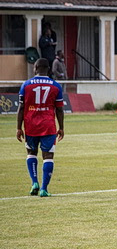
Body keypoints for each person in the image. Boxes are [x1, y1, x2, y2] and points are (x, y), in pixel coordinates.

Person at [16, 58, 64, 197]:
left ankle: (34, 183)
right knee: (48, 156)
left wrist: (19, 128)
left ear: (35, 68)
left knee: (31, 153)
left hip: (30, 125)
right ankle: (44, 189)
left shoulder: (26, 85)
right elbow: (59, 109)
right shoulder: (56, 86)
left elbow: (21, 108)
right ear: (48, 69)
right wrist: (61, 127)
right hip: (48, 126)